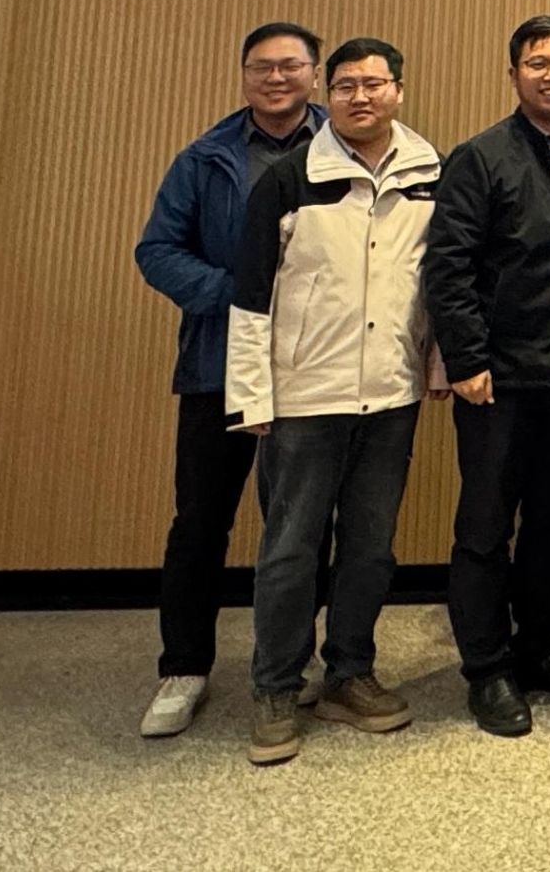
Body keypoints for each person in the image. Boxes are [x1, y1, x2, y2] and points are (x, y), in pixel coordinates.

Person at [227, 38, 443, 765]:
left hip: (391, 393)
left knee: (370, 546)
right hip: (303, 397)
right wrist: (252, 397)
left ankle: (349, 672)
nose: (360, 97)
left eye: (374, 84)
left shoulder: (430, 173)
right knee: (290, 547)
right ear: (328, 93)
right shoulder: (289, 179)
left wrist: (437, 365)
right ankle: (275, 685)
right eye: (346, 85)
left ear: (398, 90)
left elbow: (440, 282)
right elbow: (251, 298)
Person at [133, 21, 326, 739]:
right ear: (244, 76)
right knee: (200, 521)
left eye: (290, 66)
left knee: (302, 522)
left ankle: (293, 657)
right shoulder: (205, 157)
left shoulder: (342, 147)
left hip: (313, 366)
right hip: (217, 364)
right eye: (260, 67)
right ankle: (184, 666)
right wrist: (236, 295)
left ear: (314, 73)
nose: (275, 78)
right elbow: (157, 250)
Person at [424, 14, 550, 737]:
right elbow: (448, 267)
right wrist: (467, 358)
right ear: (514, 75)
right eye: (538, 63)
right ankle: (487, 667)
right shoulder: (481, 156)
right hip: (497, 378)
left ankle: (540, 646)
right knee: (485, 525)